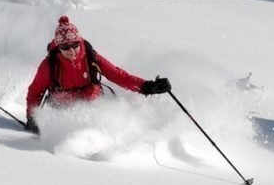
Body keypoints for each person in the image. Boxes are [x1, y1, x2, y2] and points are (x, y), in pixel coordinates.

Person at [24, 16, 171, 133]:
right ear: (58, 47)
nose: (71, 51)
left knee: (105, 120)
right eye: (65, 47)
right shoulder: (50, 65)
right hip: (62, 105)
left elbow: (117, 75)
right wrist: (32, 118)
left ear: (80, 42)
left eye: (75, 45)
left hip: (91, 101)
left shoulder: (91, 57)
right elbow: (35, 92)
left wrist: (147, 86)